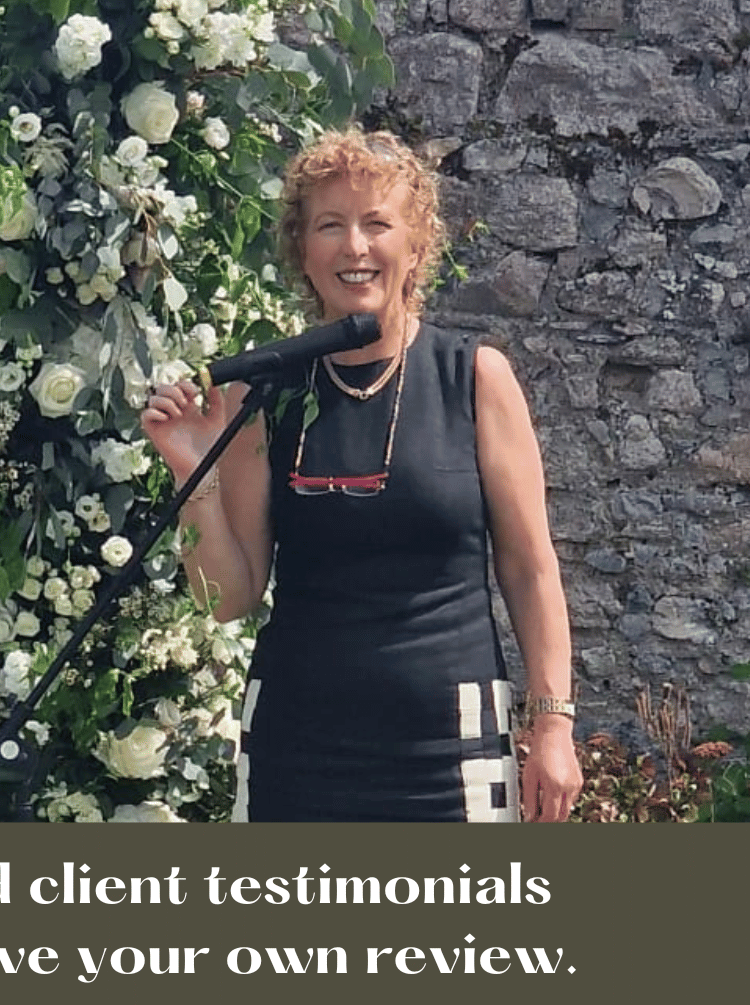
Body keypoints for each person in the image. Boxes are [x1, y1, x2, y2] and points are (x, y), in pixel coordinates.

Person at [142, 127, 582, 824]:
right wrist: (195, 478)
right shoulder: (271, 395)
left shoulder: (474, 378)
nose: (355, 246)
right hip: (297, 751)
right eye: (330, 226)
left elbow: (531, 569)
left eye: (377, 224)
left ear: (414, 247)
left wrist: (552, 724)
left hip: (450, 753)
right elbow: (226, 601)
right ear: (303, 253)